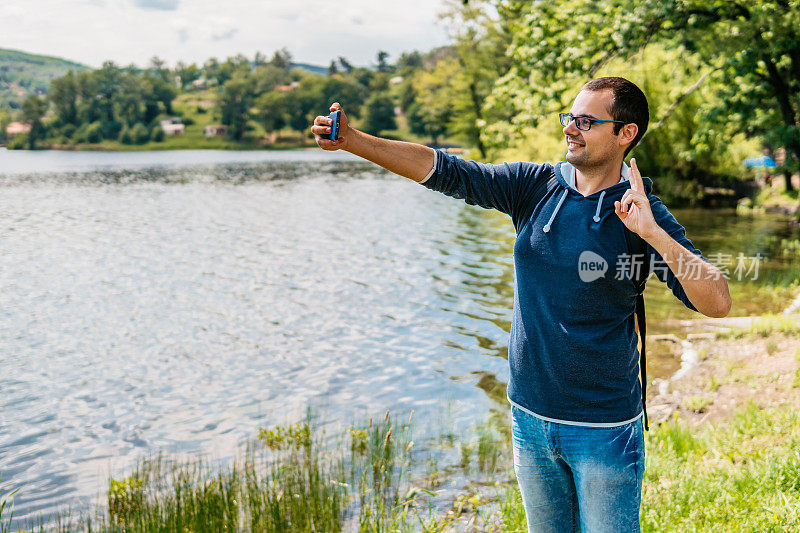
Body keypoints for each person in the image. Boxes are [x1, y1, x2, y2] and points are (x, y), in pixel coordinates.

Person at [310, 76, 731, 532]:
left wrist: (651, 232)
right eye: (570, 117)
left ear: (625, 133)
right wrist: (354, 141)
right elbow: (446, 170)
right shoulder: (534, 186)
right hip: (529, 420)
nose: (571, 128)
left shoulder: (641, 211)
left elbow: (718, 301)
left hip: (604, 430)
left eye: (587, 121)